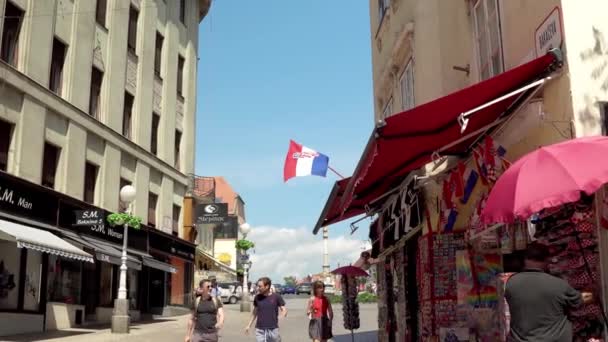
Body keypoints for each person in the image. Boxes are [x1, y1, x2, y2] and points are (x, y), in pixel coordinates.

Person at [505, 243, 594, 342]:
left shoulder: (511, 283)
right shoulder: (557, 284)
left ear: (525, 259)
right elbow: (580, 299)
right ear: (547, 260)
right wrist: (593, 292)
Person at [245, 277, 288, 342]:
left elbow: (284, 310)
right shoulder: (257, 297)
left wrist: (281, 317)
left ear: (267, 286)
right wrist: (248, 325)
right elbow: (254, 313)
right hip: (259, 329)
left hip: (272, 329)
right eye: (257, 286)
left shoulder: (276, 297)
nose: (258, 288)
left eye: (260, 286)